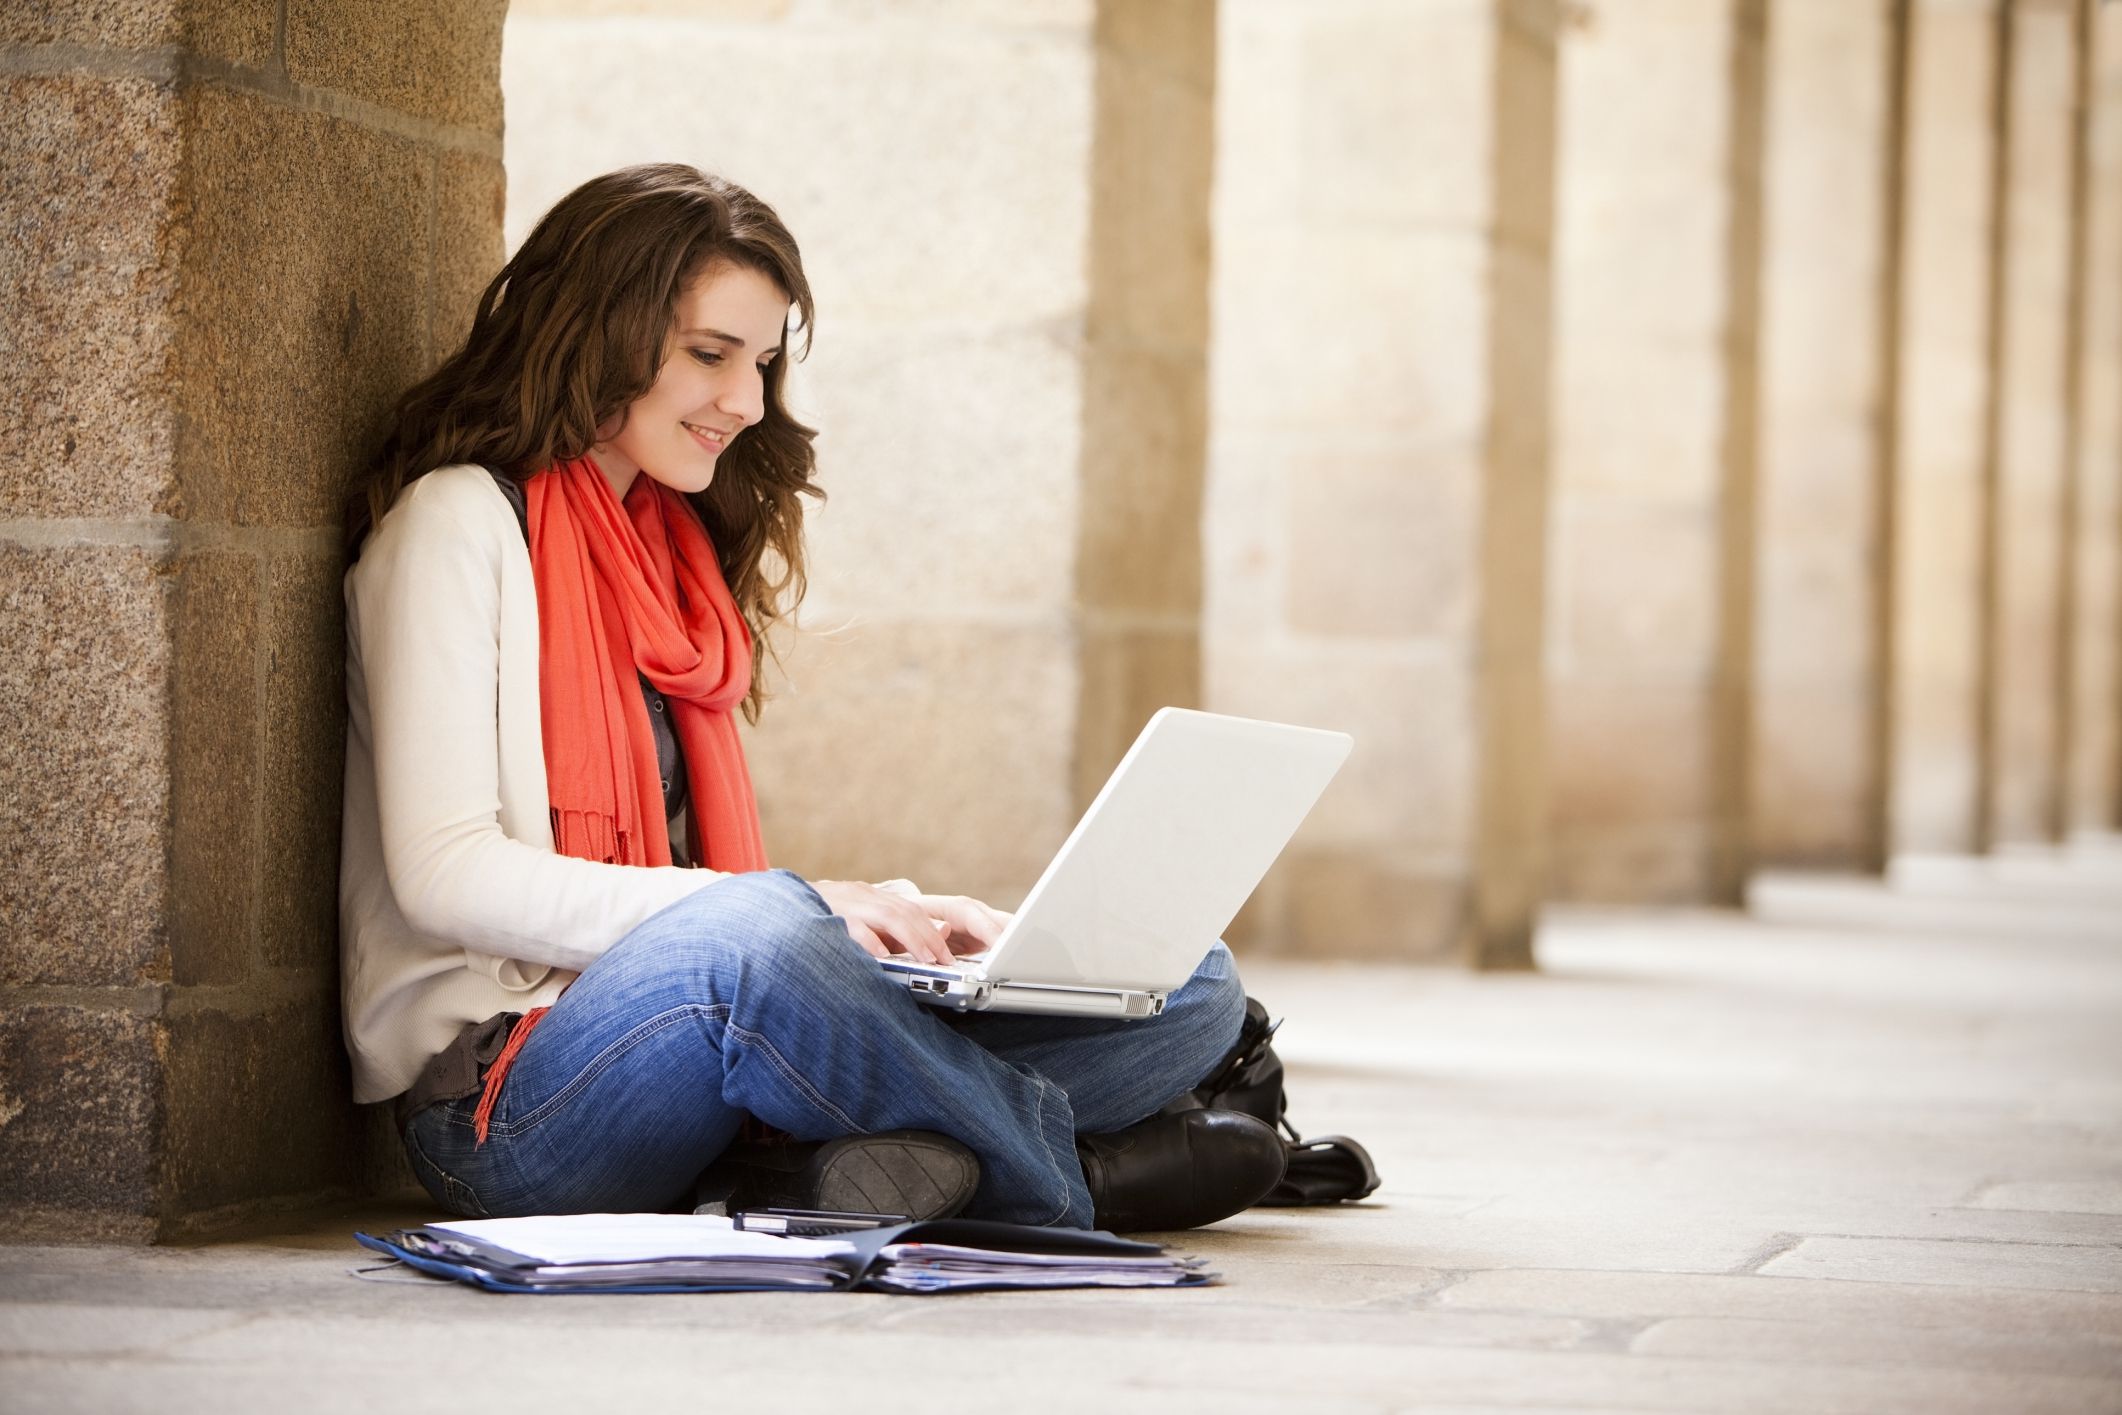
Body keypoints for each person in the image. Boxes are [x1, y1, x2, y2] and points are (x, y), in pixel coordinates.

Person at [339, 164, 1285, 1230]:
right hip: (510, 1101)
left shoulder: (670, 547)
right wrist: (795, 912)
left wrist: (893, 924)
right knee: (764, 941)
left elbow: (704, 893)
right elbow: (440, 872)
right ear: (597, 330)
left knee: (1186, 981)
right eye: (709, 355)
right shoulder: (453, 523)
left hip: (706, 1016)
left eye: (762, 361)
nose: (745, 402)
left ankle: (846, 1168)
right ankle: (1073, 1177)